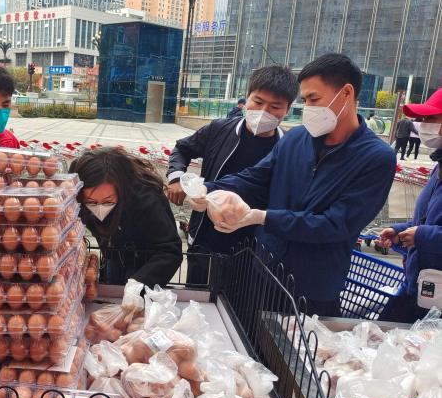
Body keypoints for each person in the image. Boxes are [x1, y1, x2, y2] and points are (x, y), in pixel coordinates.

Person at [191, 53, 396, 316]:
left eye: (314, 99)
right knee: (251, 341)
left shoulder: (376, 158)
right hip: (263, 271)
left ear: (346, 93)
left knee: (295, 353)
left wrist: (262, 217)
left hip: (313, 288)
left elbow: (336, 224)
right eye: (305, 100)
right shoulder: (296, 138)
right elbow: (256, 177)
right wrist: (210, 189)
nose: (308, 108)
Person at [166, 65, 300, 285]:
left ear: (288, 109)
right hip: (207, 236)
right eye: (257, 102)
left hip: (255, 245)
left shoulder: (288, 146)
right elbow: (183, 148)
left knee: (238, 310)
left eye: (275, 106)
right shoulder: (220, 130)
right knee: (197, 298)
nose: (263, 111)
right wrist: (175, 177)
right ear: (246, 98)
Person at [69, 147, 182, 288]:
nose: (99, 208)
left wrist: (138, 286)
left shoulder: (146, 199)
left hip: (146, 262)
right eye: (91, 202)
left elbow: (170, 251)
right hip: (113, 254)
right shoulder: (77, 197)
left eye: (108, 201)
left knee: (132, 297)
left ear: (121, 188)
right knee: (113, 290)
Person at [378, 89, 442, 322]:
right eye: (421, 119)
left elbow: (427, 229)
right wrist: (402, 231)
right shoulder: (439, 165)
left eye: (431, 119)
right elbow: (428, 218)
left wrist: (422, 235)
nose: (422, 125)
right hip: (420, 285)